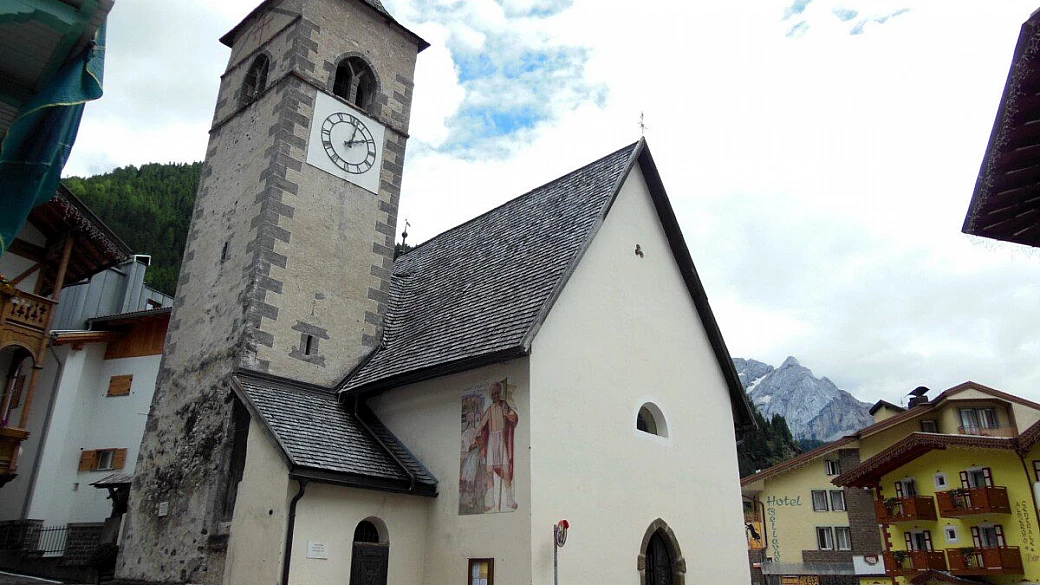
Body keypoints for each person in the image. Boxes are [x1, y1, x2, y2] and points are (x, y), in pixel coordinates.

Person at [477, 381, 518, 511]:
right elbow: (482, 423)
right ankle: (490, 502)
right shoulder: (490, 409)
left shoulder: (504, 405)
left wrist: (507, 414)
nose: (495, 395)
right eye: (493, 393)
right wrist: (476, 434)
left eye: (497, 393)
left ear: (500, 393)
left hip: (501, 439)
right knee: (489, 471)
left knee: (505, 470)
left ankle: (509, 500)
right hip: (492, 440)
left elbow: (514, 417)